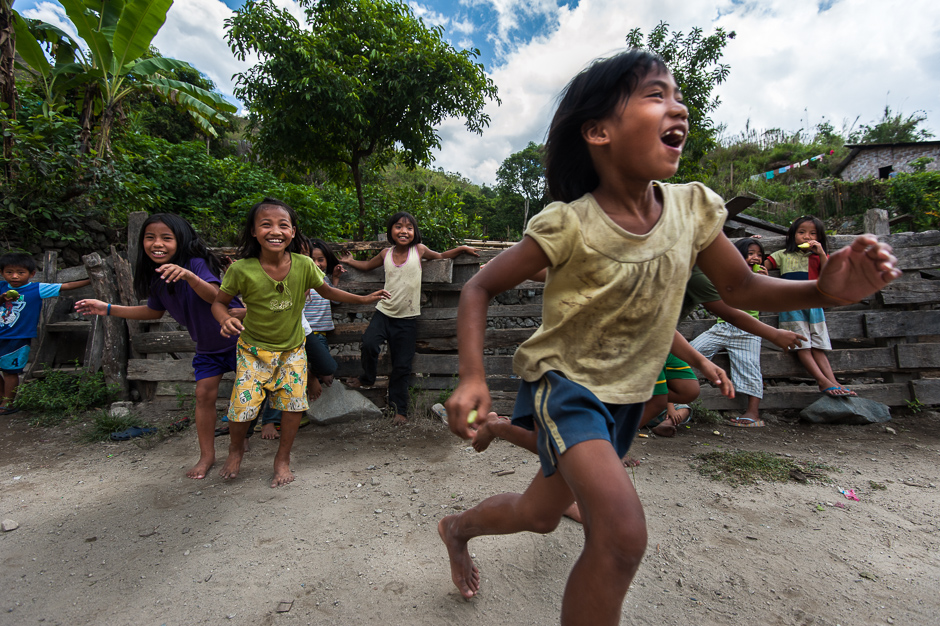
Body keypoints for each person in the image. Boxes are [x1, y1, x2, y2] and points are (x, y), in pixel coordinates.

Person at [439, 49, 900, 624]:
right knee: (622, 535)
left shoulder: (693, 208)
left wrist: (823, 293)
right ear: (599, 131)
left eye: (677, 96)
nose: (677, 106)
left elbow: (742, 287)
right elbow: (478, 287)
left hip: (629, 397)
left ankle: (457, 528)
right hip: (568, 386)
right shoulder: (568, 222)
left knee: (538, 512)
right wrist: (473, 377)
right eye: (655, 94)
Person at [211, 198, 389, 488]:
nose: (275, 231)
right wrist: (223, 318)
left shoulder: (305, 264)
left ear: (293, 232)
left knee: (293, 407)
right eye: (266, 224)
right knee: (241, 408)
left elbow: (329, 292)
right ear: (254, 231)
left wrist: (364, 299)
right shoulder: (241, 269)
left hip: (292, 349)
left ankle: (282, 459)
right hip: (253, 350)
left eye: (283, 225)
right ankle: (235, 450)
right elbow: (218, 303)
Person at [75, 214, 238, 479]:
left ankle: (238, 448)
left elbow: (217, 298)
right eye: (150, 238)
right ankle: (207, 455)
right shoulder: (158, 277)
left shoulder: (195, 264)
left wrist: (189, 277)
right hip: (208, 348)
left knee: (245, 396)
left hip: (239, 341)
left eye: (166, 238)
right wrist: (106, 308)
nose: (156, 243)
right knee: (203, 395)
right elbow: (153, 312)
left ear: (181, 240)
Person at [341, 212, 478, 425]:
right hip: (384, 312)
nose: (404, 231)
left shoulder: (419, 250)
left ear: (415, 233)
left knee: (402, 365)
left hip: (407, 318)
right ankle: (367, 378)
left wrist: (460, 249)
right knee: (369, 343)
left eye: (409, 227)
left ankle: (400, 410)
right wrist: (351, 261)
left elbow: (441, 257)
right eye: (398, 226)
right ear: (391, 231)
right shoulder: (385, 253)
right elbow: (367, 266)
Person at [689, 237, 806, 427]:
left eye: (759, 255)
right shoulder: (726, 273)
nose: (756, 258)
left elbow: (766, 299)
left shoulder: (759, 276)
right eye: (750, 254)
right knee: (692, 351)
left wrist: (763, 280)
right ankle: (676, 398)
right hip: (723, 326)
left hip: (749, 331)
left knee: (750, 367)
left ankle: (753, 413)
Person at [763, 216, 854, 397]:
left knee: (819, 347)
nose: (806, 237)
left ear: (820, 238)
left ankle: (833, 381)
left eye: (813, 233)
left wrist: (821, 253)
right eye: (802, 232)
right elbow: (763, 265)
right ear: (792, 235)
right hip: (791, 305)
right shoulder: (782, 255)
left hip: (815, 306)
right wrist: (763, 270)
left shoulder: (820, 257)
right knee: (802, 345)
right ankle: (822, 381)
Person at [1, 252, 90, 414]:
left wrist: (92, 278)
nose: (14, 276)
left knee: (10, 372)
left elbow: (66, 286)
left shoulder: (36, 288)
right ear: (2, 273)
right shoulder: (1, 288)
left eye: (20, 272)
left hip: (18, 338)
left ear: (31, 274)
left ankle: (8, 404)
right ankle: (2, 400)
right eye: (9, 272)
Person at [303, 238, 344, 403]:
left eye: (321, 259)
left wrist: (335, 279)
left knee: (326, 370)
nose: (317, 263)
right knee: (302, 370)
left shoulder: (324, 281)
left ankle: (311, 405)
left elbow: (336, 300)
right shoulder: (302, 279)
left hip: (320, 333)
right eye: (313, 259)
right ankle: (311, 379)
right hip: (304, 333)